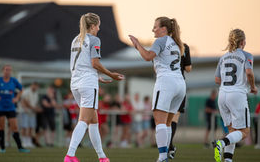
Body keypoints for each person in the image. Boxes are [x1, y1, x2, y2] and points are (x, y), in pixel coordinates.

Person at [64, 13, 124, 162]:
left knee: (93, 121)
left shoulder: (75, 39)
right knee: (83, 120)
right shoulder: (94, 39)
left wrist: (97, 76)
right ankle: (70, 155)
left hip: (76, 83)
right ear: (92, 26)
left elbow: (80, 64)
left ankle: (102, 157)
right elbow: (94, 63)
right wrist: (111, 74)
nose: (99, 28)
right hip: (87, 84)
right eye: (98, 25)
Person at [129, 16, 186, 162]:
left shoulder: (161, 40)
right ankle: (165, 155)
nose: (153, 29)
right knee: (167, 123)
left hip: (167, 83)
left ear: (163, 29)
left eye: (155, 26)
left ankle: (162, 157)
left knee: (159, 121)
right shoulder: (175, 42)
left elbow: (148, 56)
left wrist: (137, 45)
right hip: (180, 84)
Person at [213, 29, 258, 162]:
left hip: (222, 95)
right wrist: (253, 87)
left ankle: (227, 160)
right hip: (237, 95)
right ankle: (221, 143)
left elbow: (217, 79)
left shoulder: (223, 57)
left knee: (233, 131)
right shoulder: (246, 55)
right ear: (243, 42)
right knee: (244, 132)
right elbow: (249, 73)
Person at [0, 65, 29, 153]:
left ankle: (20, 147)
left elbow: (21, 89)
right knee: (1, 126)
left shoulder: (13, 81)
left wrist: (17, 98)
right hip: (0, 107)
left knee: (14, 126)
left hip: (10, 107)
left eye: (9, 70)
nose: (8, 71)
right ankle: (2, 147)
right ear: (3, 71)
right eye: (6, 70)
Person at [168, 43, 192, 159]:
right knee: (174, 117)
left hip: (166, 84)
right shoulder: (184, 46)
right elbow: (188, 68)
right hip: (179, 84)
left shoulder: (163, 44)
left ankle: (168, 146)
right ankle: (169, 145)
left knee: (164, 118)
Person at [20, 81, 40, 148]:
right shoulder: (26, 92)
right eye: (35, 86)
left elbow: (35, 103)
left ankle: (29, 142)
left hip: (32, 112)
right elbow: (24, 101)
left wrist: (36, 108)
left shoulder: (36, 93)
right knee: (24, 127)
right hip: (26, 111)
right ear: (32, 85)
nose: (36, 88)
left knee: (31, 127)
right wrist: (32, 108)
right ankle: (24, 141)